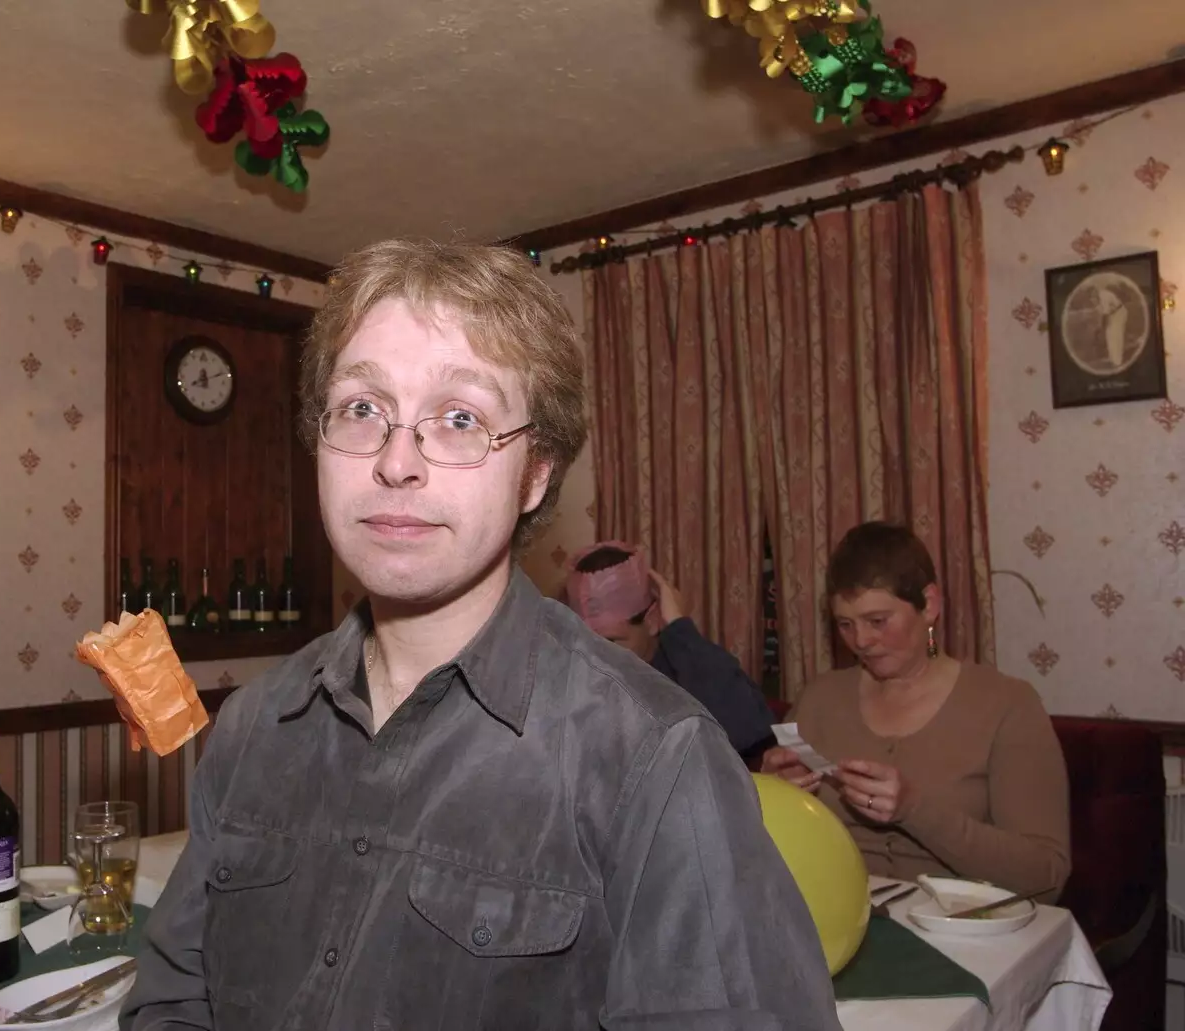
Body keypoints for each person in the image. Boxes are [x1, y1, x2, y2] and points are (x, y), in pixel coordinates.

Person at [123, 240, 839, 1029]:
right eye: (363, 408)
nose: (397, 461)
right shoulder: (257, 725)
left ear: (535, 472)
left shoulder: (654, 759)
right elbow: (172, 1001)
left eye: (460, 418)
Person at [761, 521, 1070, 898]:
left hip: (963, 931)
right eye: (845, 624)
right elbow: (769, 853)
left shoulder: (1007, 705)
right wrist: (770, 796)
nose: (861, 641)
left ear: (929, 605)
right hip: (840, 917)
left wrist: (915, 810)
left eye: (878, 621)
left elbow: (1045, 876)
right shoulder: (820, 699)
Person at [564, 541, 775, 755]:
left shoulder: (689, 665)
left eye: (611, 642)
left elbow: (747, 734)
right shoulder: (573, 676)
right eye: (587, 644)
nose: (596, 660)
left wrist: (679, 627)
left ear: (652, 620)